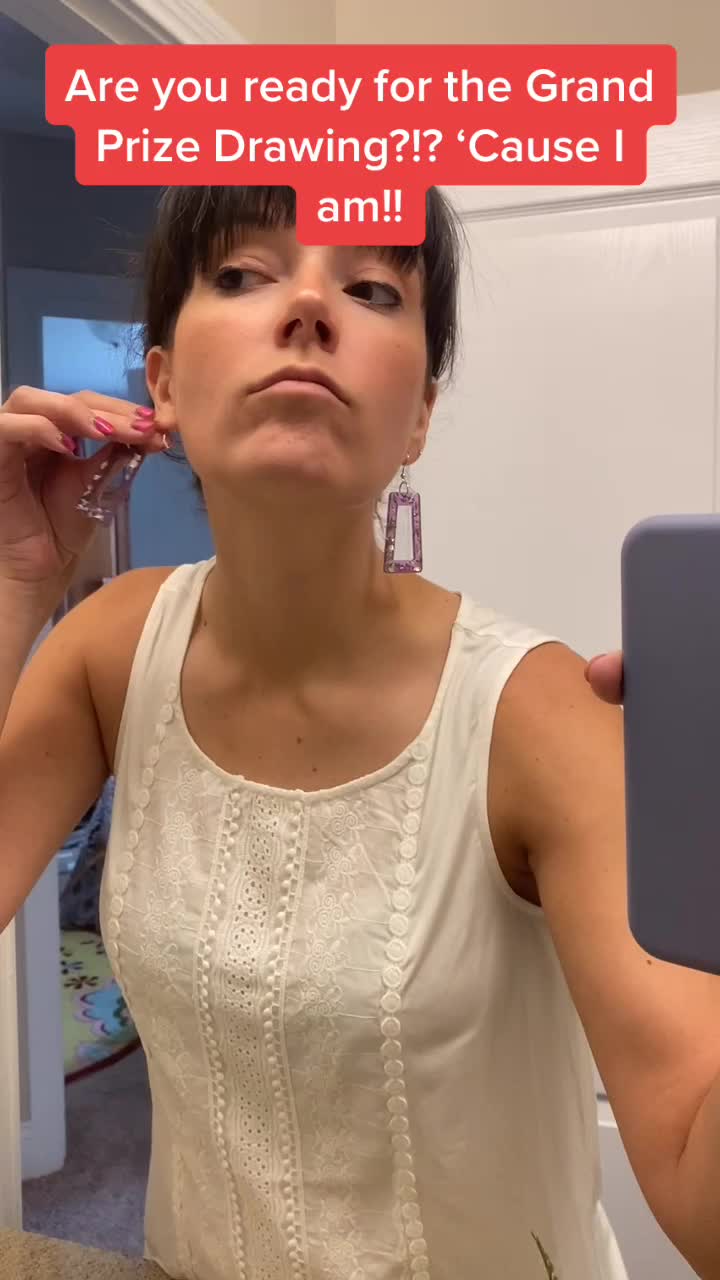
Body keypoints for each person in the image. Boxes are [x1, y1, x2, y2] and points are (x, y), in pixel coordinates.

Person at [1, 185, 719, 1280]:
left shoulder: (536, 713)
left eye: (373, 288)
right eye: (241, 275)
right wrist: (13, 587)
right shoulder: (111, 650)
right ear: (163, 384)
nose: (306, 306)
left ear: (418, 413)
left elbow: (699, 1193)